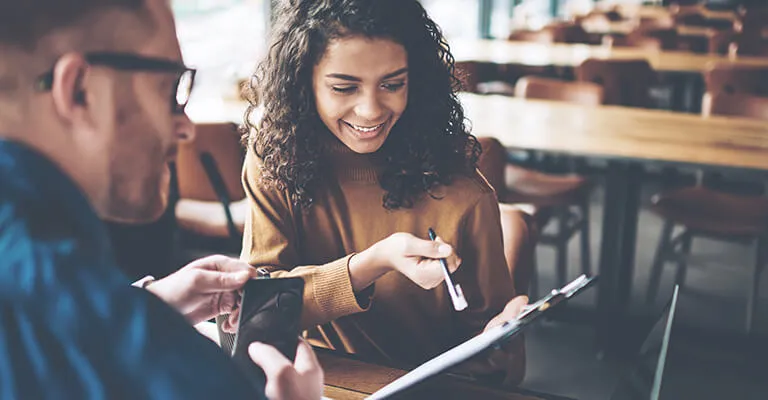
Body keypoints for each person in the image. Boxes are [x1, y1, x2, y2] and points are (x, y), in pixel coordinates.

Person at [0, 0, 528, 399]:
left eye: (392, 83)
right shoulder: (152, 351)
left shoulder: (71, 289)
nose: (185, 128)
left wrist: (148, 305)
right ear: (78, 90)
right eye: (171, 89)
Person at [238, 0, 525, 385]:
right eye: (344, 87)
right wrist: (372, 264)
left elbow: (501, 368)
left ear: (416, 81)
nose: (371, 110)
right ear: (303, 83)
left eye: (392, 84)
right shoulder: (276, 159)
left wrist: (498, 346)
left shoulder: (464, 195)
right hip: (314, 382)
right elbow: (255, 312)